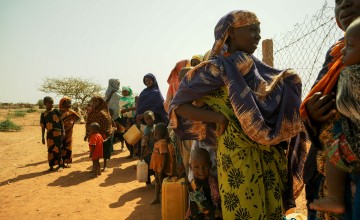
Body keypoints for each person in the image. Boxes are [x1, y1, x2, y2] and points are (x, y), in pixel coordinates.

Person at [170, 10, 306, 219]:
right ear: (231, 33)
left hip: (268, 154)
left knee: (272, 210)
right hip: (237, 157)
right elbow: (178, 104)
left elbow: (279, 97)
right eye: (252, 30)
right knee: (244, 210)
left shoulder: (256, 69)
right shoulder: (214, 69)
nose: (258, 36)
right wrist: (218, 118)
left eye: (259, 32)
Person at [300, 1, 360, 219]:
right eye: (337, 1)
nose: (345, 3)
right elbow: (319, 92)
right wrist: (313, 114)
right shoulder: (337, 52)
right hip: (328, 169)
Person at [186, 148, 222, 220]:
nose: (201, 171)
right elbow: (198, 206)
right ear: (190, 167)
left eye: (205, 166)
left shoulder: (214, 181)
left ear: (210, 165)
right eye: (196, 167)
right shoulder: (193, 185)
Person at [84, 96, 115, 172]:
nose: (94, 103)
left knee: (105, 151)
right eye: (93, 101)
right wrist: (87, 133)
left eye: (96, 101)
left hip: (104, 134)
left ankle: (105, 166)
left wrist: (108, 133)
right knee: (94, 151)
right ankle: (96, 167)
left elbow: (109, 122)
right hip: (93, 135)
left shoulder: (105, 112)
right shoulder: (91, 113)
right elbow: (88, 124)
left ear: (100, 102)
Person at [149, 122, 172, 205]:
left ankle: (164, 199)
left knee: (161, 183)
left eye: (156, 132)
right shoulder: (158, 142)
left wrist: (162, 170)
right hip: (157, 167)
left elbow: (165, 156)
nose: (154, 134)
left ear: (160, 133)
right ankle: (156, 198)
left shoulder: (162, 143)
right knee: (157, 182)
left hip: (161, 168)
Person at [40, 96, 65, 171]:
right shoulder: (43, 114)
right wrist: (42, 137)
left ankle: (60, 165)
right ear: (45, 103)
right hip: (49, 134)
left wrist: (63, 132)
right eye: (50, 103)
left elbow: (61, 122)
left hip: (58, 133)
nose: (52, 105)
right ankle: (51, 166)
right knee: (50, 150)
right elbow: (43, 126)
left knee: (58, 148)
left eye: (52, 103)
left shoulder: (56, 111)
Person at [59, 97, 81, 168]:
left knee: (68, 145)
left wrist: (72, 122)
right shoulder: (59, 112)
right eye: (68, 103)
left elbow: (78, 118)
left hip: (69, 131)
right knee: (61, 145)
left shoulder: (71, 112)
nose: (70, 104)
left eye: (70, 102)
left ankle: (67, 161)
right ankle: (61, 162)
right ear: (63, 103)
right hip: (60, 131)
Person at [140, 110, 156, 186]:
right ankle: (148, 182)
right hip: (148, 152)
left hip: (155, 150)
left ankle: (157, 181)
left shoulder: (156, 127)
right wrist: (141, 154)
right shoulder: (146, 130)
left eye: (150, 118)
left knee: (155, 166)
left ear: (154, 118)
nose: (149, 121)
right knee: (148, 167)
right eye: (146, 119)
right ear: (144, 120)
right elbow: (143, 143)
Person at [119, 86, 136, 157]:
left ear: (129, 92)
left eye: (126, 91)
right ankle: (131, 152)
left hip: (132, 119)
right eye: (123, 91)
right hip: (124, 119)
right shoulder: (121, 99)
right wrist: (122, 112)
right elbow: (120, 109)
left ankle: (133, 152)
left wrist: (127, 110)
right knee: (126, 136)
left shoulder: (132, 99)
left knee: (133, 136)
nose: (124, 92)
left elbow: (135, 107)